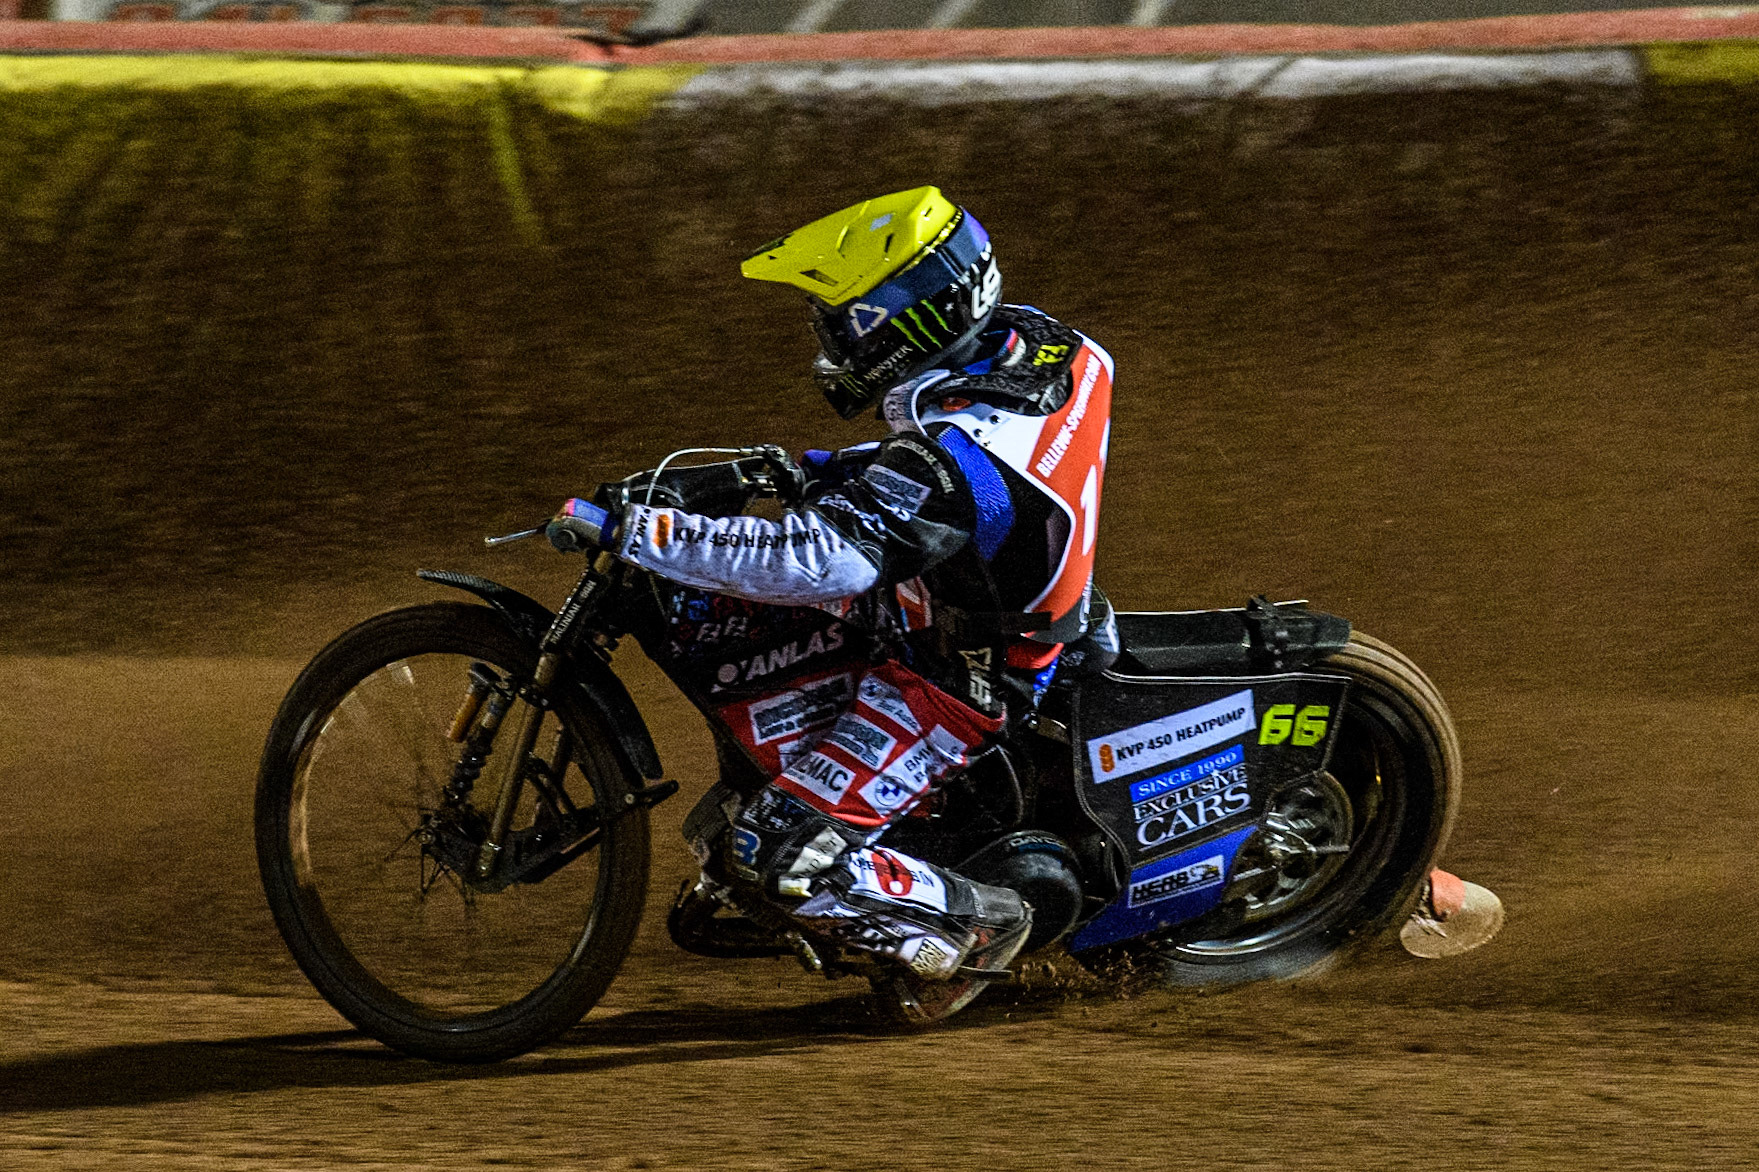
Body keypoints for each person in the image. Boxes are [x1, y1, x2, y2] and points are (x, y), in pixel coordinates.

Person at [545, 186, 1117, 1020]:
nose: (828, 340)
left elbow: (818, 560)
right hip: (965, 597)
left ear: (905, 321)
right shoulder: (1033, 346)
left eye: (844, 320)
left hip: (954, 681)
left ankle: (973, 926)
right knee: (714, 633)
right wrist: (786, 470)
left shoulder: (957, 466)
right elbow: (924, 459)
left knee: (773, 855)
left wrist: (639, 529)